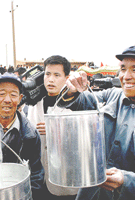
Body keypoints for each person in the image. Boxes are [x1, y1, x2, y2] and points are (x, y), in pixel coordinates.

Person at [58, 46, 135, 200]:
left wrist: (126, 180)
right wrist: (72, 90)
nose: (126, 76)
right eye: (123, 69)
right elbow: (84, 101)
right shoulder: (112, 96)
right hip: (91, 194)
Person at [27, 55, 77, 199]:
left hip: (66, 180)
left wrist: (57, 131)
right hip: (40, 178)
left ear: (66, 77)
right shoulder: (34, 102)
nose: (51, 79)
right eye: (48, 74)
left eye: (57, 75)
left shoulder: (76, 103)